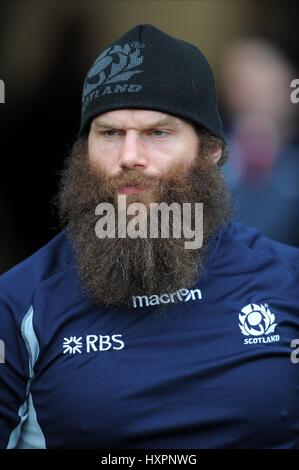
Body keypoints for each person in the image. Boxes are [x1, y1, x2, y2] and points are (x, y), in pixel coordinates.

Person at [0, 24, 298, 450]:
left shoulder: (288, 280)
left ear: (211, 152)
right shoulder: (19, 304)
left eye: (158, 133)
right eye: (110, 133)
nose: (129, 157)